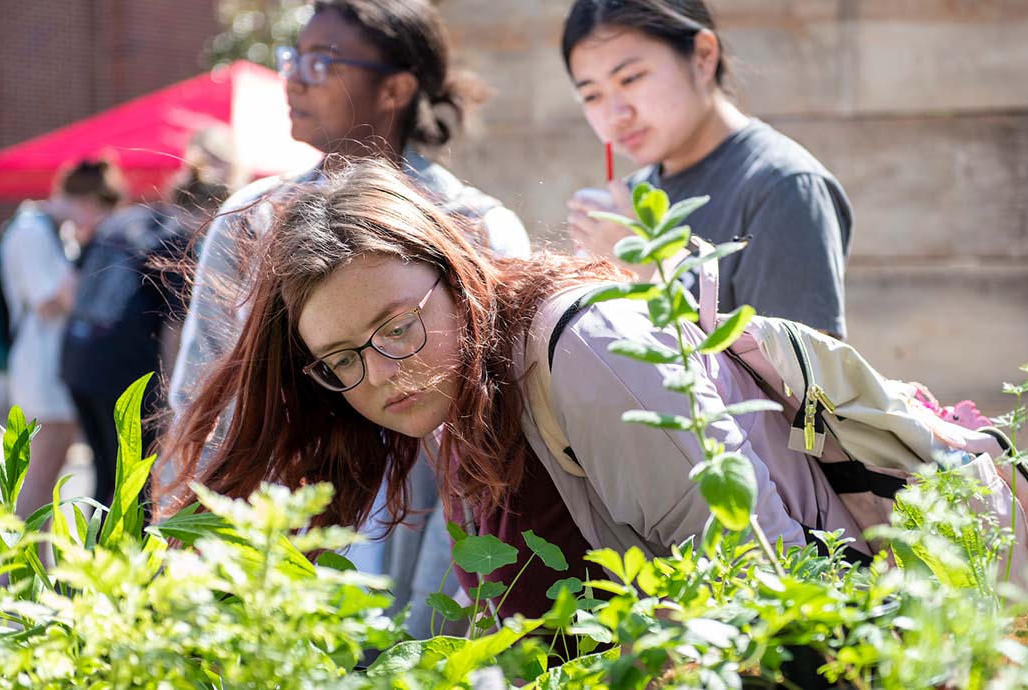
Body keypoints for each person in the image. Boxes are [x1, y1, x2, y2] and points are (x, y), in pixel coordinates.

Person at [159, 160, 870, 624]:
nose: (380, 374)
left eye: (396, 326)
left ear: (457, 271)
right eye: (341, 359)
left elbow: (772, 588)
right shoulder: (447, 399)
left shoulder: (590, 357)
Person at [166, 0, 529, 636]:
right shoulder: (254, 214)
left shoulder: (473, 224)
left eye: (320, 60)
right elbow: (202, 398)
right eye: (291, 57)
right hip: (279, 535)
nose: (294, 77)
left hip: (426, 549)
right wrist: (187, 541)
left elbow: (494, 433)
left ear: (395, 87)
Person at [562, 0, 853, 339]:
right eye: (592, 96)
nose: (616, 114)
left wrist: (650, 275)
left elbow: (800, 381)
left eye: (630, 78)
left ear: (702, 57)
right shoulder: (634, 197)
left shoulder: (783, 186)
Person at [60, 168, 227, 512]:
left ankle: (96, 559)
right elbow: (175, 326)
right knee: (137, 483)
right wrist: (173, 397)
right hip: (126, 374)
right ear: (211, 211)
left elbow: (73, 286)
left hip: (78, 358)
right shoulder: (179, 237)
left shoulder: (125, 218)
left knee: (107, 474)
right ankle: (122, 563)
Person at [0, 158, 126, 522]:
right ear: (89, 202)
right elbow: (51, 302)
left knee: (46, 480)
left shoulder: (54, 230)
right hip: (41, 369)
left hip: (54, 368)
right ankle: (19, 575)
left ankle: (32, 567)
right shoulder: (32, 231)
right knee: (40, 479)